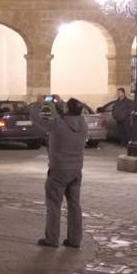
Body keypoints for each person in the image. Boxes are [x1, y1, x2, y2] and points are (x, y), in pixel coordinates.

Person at [29, 97, 86, 249]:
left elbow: (35, 118)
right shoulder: (83, 123)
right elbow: (67, 115)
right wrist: (62, 104)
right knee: (74, 206)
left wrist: (38, 104)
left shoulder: (58, 124)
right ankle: (75, 240)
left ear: (68, 110)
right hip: (76, 170)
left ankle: (52, 239)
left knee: (54, 205)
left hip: (59, 170)